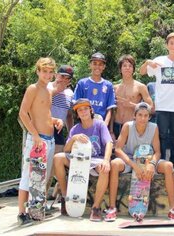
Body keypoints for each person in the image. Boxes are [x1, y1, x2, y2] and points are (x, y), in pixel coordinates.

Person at [108, 102, 174, 221]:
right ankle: (112, 208)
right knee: (114, 164)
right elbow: (117, 149)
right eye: (140, 115)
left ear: (149, 117)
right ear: (134, 115)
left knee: (169, 166)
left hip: (148, 159)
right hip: (130, 159)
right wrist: (134, 165)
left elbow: (158, 152)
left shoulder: (154, 127)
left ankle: (172, 209)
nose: (143, 118)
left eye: (146, 115)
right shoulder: (127, 126)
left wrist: (152, 164)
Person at [17, 57, 64, 226]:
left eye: (51, 72)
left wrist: (56, 120)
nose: (48, 74)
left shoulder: (49, 90)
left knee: (40, 179)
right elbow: (22, 113)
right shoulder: (33, 88)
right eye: (44, 71)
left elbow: (44, 115)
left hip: (49, 141)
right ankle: (21, 214)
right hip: (36, 141)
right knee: (27, 177)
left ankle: (36, 210)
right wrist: (35, 135)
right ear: (38, 71)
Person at [140, 32, 174, 169]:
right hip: (162, 105)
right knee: (162, 136)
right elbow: (142, 72)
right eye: (171, 43)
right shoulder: (159, 60)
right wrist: (147, 62)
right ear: (166, 45)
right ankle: (162, 164)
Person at [53, 98, 113, 221]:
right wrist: (74, 138)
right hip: (78, 158)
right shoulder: (75, 129)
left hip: (95, 159)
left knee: (104, 169)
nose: (83, 112)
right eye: (80, 110)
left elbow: (109, 143)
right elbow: (66, 150)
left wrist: (106, 160)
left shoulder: (99, 124)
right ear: (77, 114)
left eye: (85, 108)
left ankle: (96, 208)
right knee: (58, 158)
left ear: (91, 110)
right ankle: (65, 197)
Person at [47, 65, 74, 200]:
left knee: (54, 167)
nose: (63, 79)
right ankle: (40, 200)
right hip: (44, 130)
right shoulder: (47, 87)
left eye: (67, 78)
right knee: (43, 167)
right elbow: (40, 105)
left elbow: (69, 115)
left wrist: (71, 133)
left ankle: (47, 198)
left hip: (59, 132)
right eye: (61, 76)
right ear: (56, 75)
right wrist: (56, 90)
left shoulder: (70, 93)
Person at [111, 54, 153, 140]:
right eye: (124, 66)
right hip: (116, 125)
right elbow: (111, 110)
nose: (127, 68)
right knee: (115, 152)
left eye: (130, 66)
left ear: (133, 69)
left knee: (131, 152)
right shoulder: (114, 88)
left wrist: (133, 105)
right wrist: (111, 130)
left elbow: (151, 107)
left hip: (132, 125)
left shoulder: (140, 87)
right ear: (120, 69)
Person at [73, 52, 116, 125]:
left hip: (101, 124)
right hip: (84, 124)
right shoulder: (82, 83)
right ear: (90, 65)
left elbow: (110, 109)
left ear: (104, 67)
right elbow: (76, 106)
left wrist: (105, 125)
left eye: (100, 64)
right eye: (95, 63)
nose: (97, 67)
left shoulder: (108, 85)